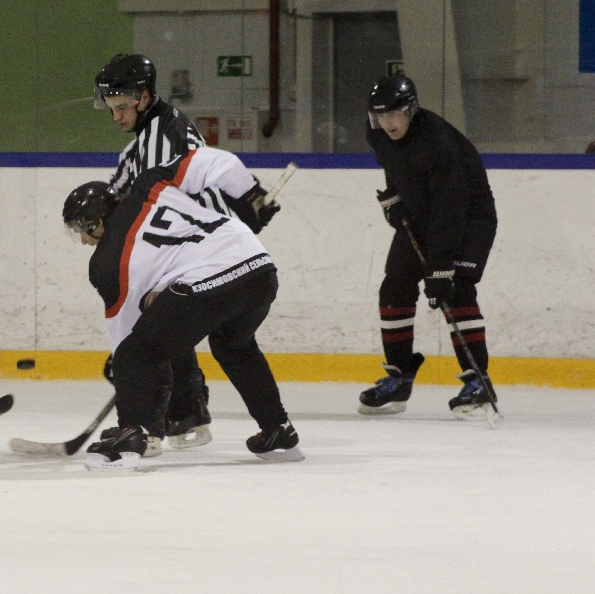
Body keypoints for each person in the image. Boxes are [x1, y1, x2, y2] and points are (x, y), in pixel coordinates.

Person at [62, 157, 302, 470]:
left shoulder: (105, 264)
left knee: (134, 354)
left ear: (98, 218)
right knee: (234, 346)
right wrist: (250, 194)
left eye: (83, 228)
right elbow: (216, 162)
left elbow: (127, 334)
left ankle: (130, 434)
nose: (83, 240)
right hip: (259, 269)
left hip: (210, 280)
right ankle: (278, 429)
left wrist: (127, 373)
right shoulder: (150, 185)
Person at [93, 53, 280, 452]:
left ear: (144, 97)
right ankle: (186, 414)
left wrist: (247, 199)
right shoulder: (143, 143)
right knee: (210, 339)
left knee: (155, 334)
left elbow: (192, 186)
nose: (116, 115)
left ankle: (159, 423)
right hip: (197, 252)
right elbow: (122, 197)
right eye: (111, 107)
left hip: (195, 254)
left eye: (122, 105)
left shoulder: (167, 135)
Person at [358, 74, 499, 418]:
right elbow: (394, 164)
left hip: (468, 218)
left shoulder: (438, 142)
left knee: (456, 289)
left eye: (394, 114)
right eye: (380, 115)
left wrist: (440, 267)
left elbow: (451, 206)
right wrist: (394, 197)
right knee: (394, 287)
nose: (387, 123)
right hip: (422, 215)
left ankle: (477, 382)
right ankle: (399, 376)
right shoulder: (378, 133)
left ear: (410, 109)